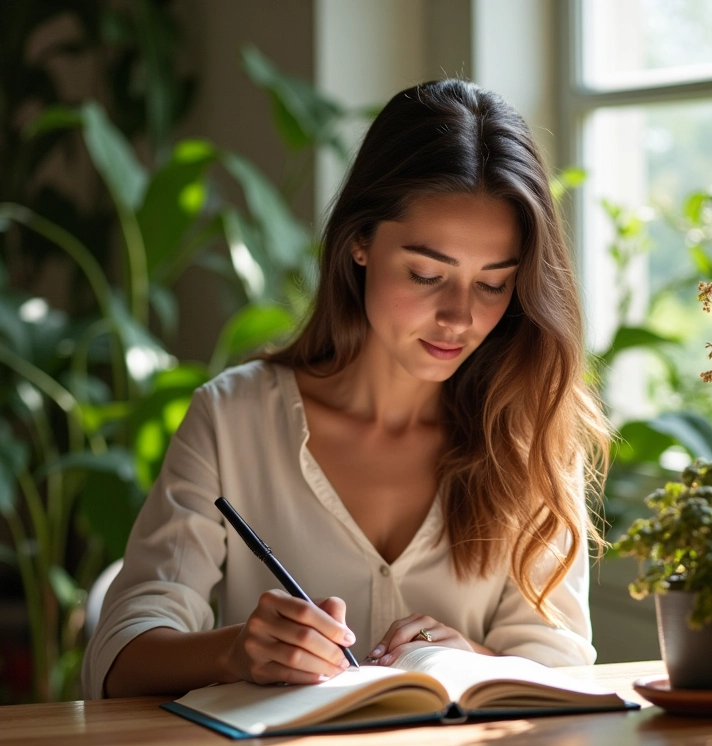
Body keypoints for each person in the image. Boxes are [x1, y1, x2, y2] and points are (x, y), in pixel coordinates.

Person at [82, 79, 610, 699]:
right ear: (359, 243)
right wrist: (235, 650)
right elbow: (116, 659)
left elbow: (562, 670)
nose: (459, 317)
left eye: (493, 284)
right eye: (426, 273)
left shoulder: (529, 428)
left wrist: (472, 656)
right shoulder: (234, 419)